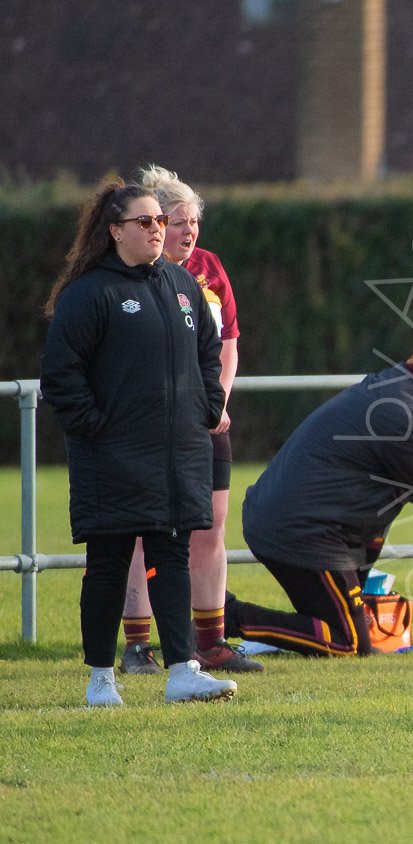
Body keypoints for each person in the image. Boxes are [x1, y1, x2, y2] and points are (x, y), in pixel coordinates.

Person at [40, 179, 237, 706]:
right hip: (112, 458)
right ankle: (101, 678)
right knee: (108, 564)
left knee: (171, 558)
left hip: (179, 454)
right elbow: (61, 374)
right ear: (115, 231)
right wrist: (97, 427)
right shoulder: (89, 293)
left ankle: (183, 670)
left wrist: (205, 407)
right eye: (145, 222)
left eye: (160, 221)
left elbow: (209, 351)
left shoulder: (181, 284)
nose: (158, 230)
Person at [223, 327, 413, 657]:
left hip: (289, 522)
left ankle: (233, 620)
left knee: (340, 630)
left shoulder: (389, 391)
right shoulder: (406, 416)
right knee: (349, 642)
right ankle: (228, 617)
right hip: (305, 533)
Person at [117, 165, 262, 674]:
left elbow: (228, 343)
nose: (187, 232)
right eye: (177, 222)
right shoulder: (132, 272)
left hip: (205, 422)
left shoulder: (209, 268)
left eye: (193, 222)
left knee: (210, 528)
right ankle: (138, 646)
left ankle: (211, 641)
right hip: (149, 422)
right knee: (142, 529)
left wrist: (217, 402)